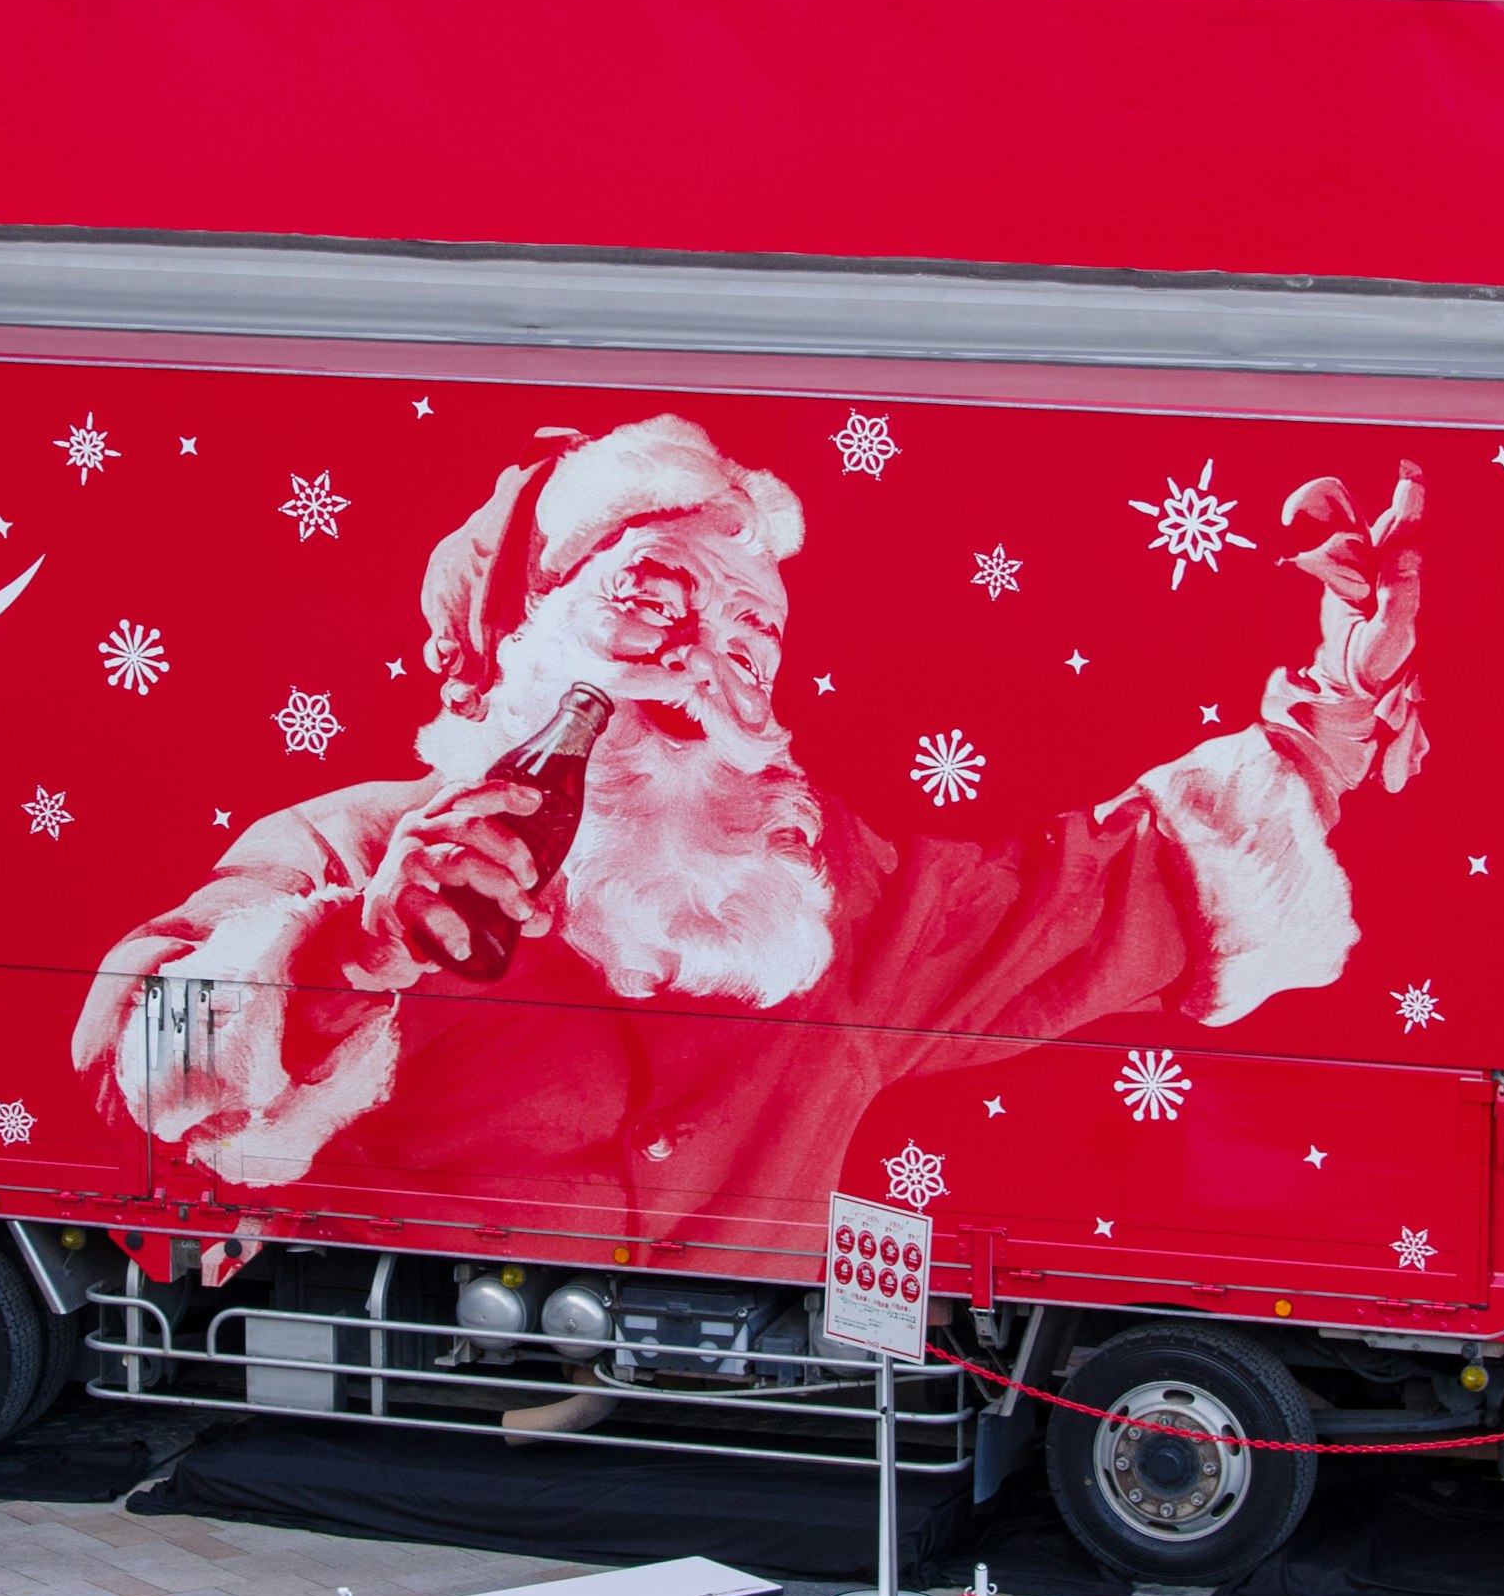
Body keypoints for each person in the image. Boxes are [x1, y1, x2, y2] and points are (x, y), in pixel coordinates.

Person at [73, 411, 1426, 1226]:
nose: (704, 658)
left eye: (752, 631)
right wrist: (344, 956)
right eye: (657, 596)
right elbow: (147, 1064)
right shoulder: (358, 847)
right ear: (530, 631)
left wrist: (1330, 713)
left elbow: (1103, 898)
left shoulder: (831, 900)